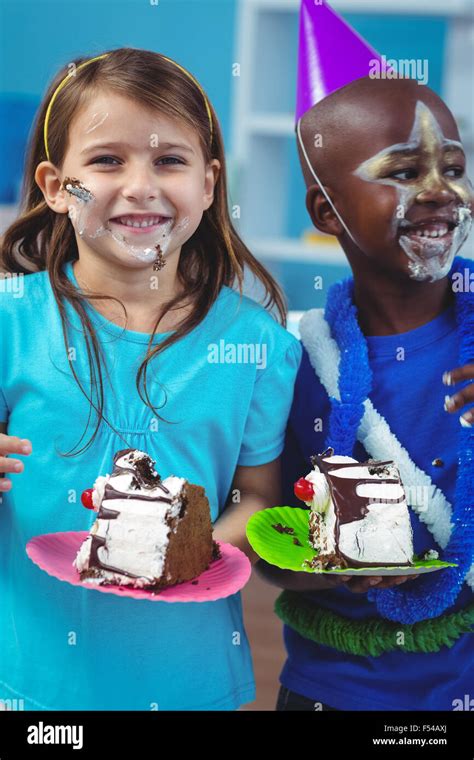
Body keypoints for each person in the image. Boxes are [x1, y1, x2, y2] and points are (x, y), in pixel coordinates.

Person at [0, 47, 302, 710]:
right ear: (55, 187)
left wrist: (181, 553)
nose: (141, 185)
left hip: (191, 683)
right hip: (31, 684)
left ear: (208, 184)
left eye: (169, 160)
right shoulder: (9, 319)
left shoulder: (258, 346)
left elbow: (255, 496)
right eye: (108, 160)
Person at [257, 70, 474, 711]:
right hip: (334, 692)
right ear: (327, 211)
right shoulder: (295, 368)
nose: (441, 192)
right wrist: (338, 566)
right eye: (404, 172)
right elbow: (271, 545)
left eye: (453, 168)